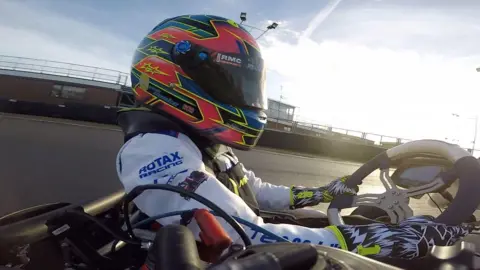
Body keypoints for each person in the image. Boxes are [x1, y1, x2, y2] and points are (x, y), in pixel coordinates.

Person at [116, 14, 471, 260]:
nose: (242, 94)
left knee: (362, 218)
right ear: (170, 73)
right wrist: (388, 240)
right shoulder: (153, 149)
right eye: (230, 81)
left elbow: (253, 190)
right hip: (236, 255)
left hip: (242, 249)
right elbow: (252, 237)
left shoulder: (191, 142)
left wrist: (319, 194)